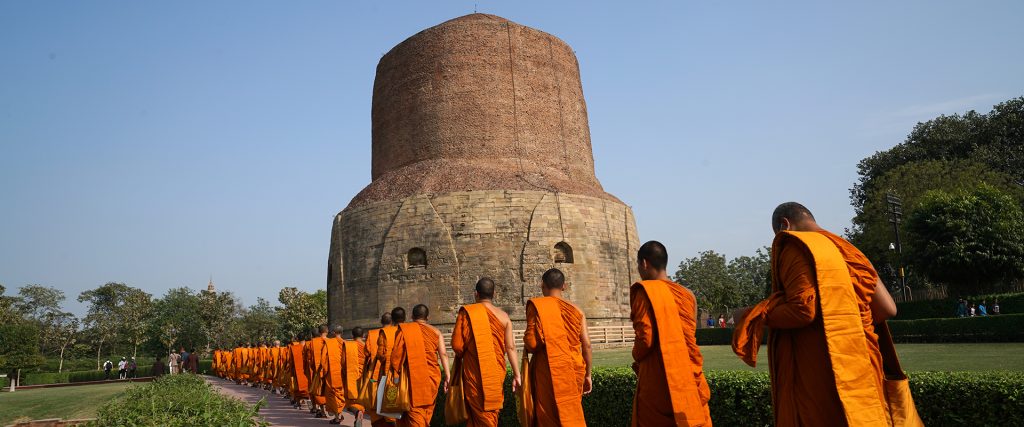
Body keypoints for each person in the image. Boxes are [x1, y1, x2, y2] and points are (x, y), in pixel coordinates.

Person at [733, 202, 906, 426]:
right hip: (861, 362)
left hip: (825, 368)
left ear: (784, 225)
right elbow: (887, 309)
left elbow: (803, 310)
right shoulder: (849, 249)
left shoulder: (796, 244)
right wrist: (847, 322)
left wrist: (751, 315)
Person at [630, 241, 712, 426]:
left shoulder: (646, 292)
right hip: (687, 373)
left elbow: (646, 339)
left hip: (659, 377)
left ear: (644, 263)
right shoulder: (687, 294)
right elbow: (689, 336)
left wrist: (635, 355)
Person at [522, 268, 592, 426]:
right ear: (564, 286)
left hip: (547, 369)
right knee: (569, 414)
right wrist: (588, 375)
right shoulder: (577, 310)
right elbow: (587, 344)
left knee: (548, 418)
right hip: (572, 368)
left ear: (542, 285)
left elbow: (532, 344)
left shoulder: (538, 307)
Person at [451, 278, 522, 426]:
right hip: (495, 374)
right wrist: (517, 374)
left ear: (476, 294)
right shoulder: (504, 317)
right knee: (490, 414)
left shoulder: (466, 313)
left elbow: (457, 346)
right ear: (494, 294)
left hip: (474, 375)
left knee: (477, 416)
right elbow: (510, 347)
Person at [387, 305, 450, 427]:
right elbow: (443, 354)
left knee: (415, 414)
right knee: (425, 413)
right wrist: (447, 375)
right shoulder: (436, 332)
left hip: (413, 380)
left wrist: (396, 376)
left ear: (411, 316)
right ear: (428, 317)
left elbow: (396, 358)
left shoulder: (405, 330)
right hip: (431, 379)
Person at [368, 313, 399, 427]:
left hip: (381, 371)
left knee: (379, 396)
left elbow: (378, 354)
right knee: (393, 397)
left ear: (381, 321)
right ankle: (393, 419)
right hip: (397, 372)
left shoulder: (373, 333)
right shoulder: (399, 332)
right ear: (392, 322)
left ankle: (385, 419)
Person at [324, 326, 347, 424]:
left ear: (333, 333)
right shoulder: (346, 343)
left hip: (332, 373)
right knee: (341, 393)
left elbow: (323, 360)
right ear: (342, 332)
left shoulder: (329, 343)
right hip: (343, 373)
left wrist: (324, 372)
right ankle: (341, 414)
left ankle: (337, 417)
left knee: (332, 394)